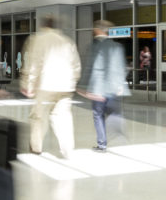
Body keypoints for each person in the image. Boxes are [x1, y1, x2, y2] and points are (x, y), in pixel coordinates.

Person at [21, 16, 81, 158]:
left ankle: (36, 147)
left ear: (43, 26)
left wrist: (28, 84)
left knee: (38, 117)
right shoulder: (68, 41)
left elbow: (34, 64)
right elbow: (76, 65)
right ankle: (67, 149)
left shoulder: (37, 39)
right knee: (64, 118)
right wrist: (73, 81)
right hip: (65, 86)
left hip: (45, 86)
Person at [82, 20, 127, 152]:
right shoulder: (117, 46)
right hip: (113, 87)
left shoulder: (94, 46)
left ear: (98, 30)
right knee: (113, 111)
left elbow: (90, 67)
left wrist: (84, 86)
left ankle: (102, 144)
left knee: (98, 115)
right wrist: (120, 85)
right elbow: (122, 67)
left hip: (98, 88)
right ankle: (118, 131)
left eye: (94, 28)